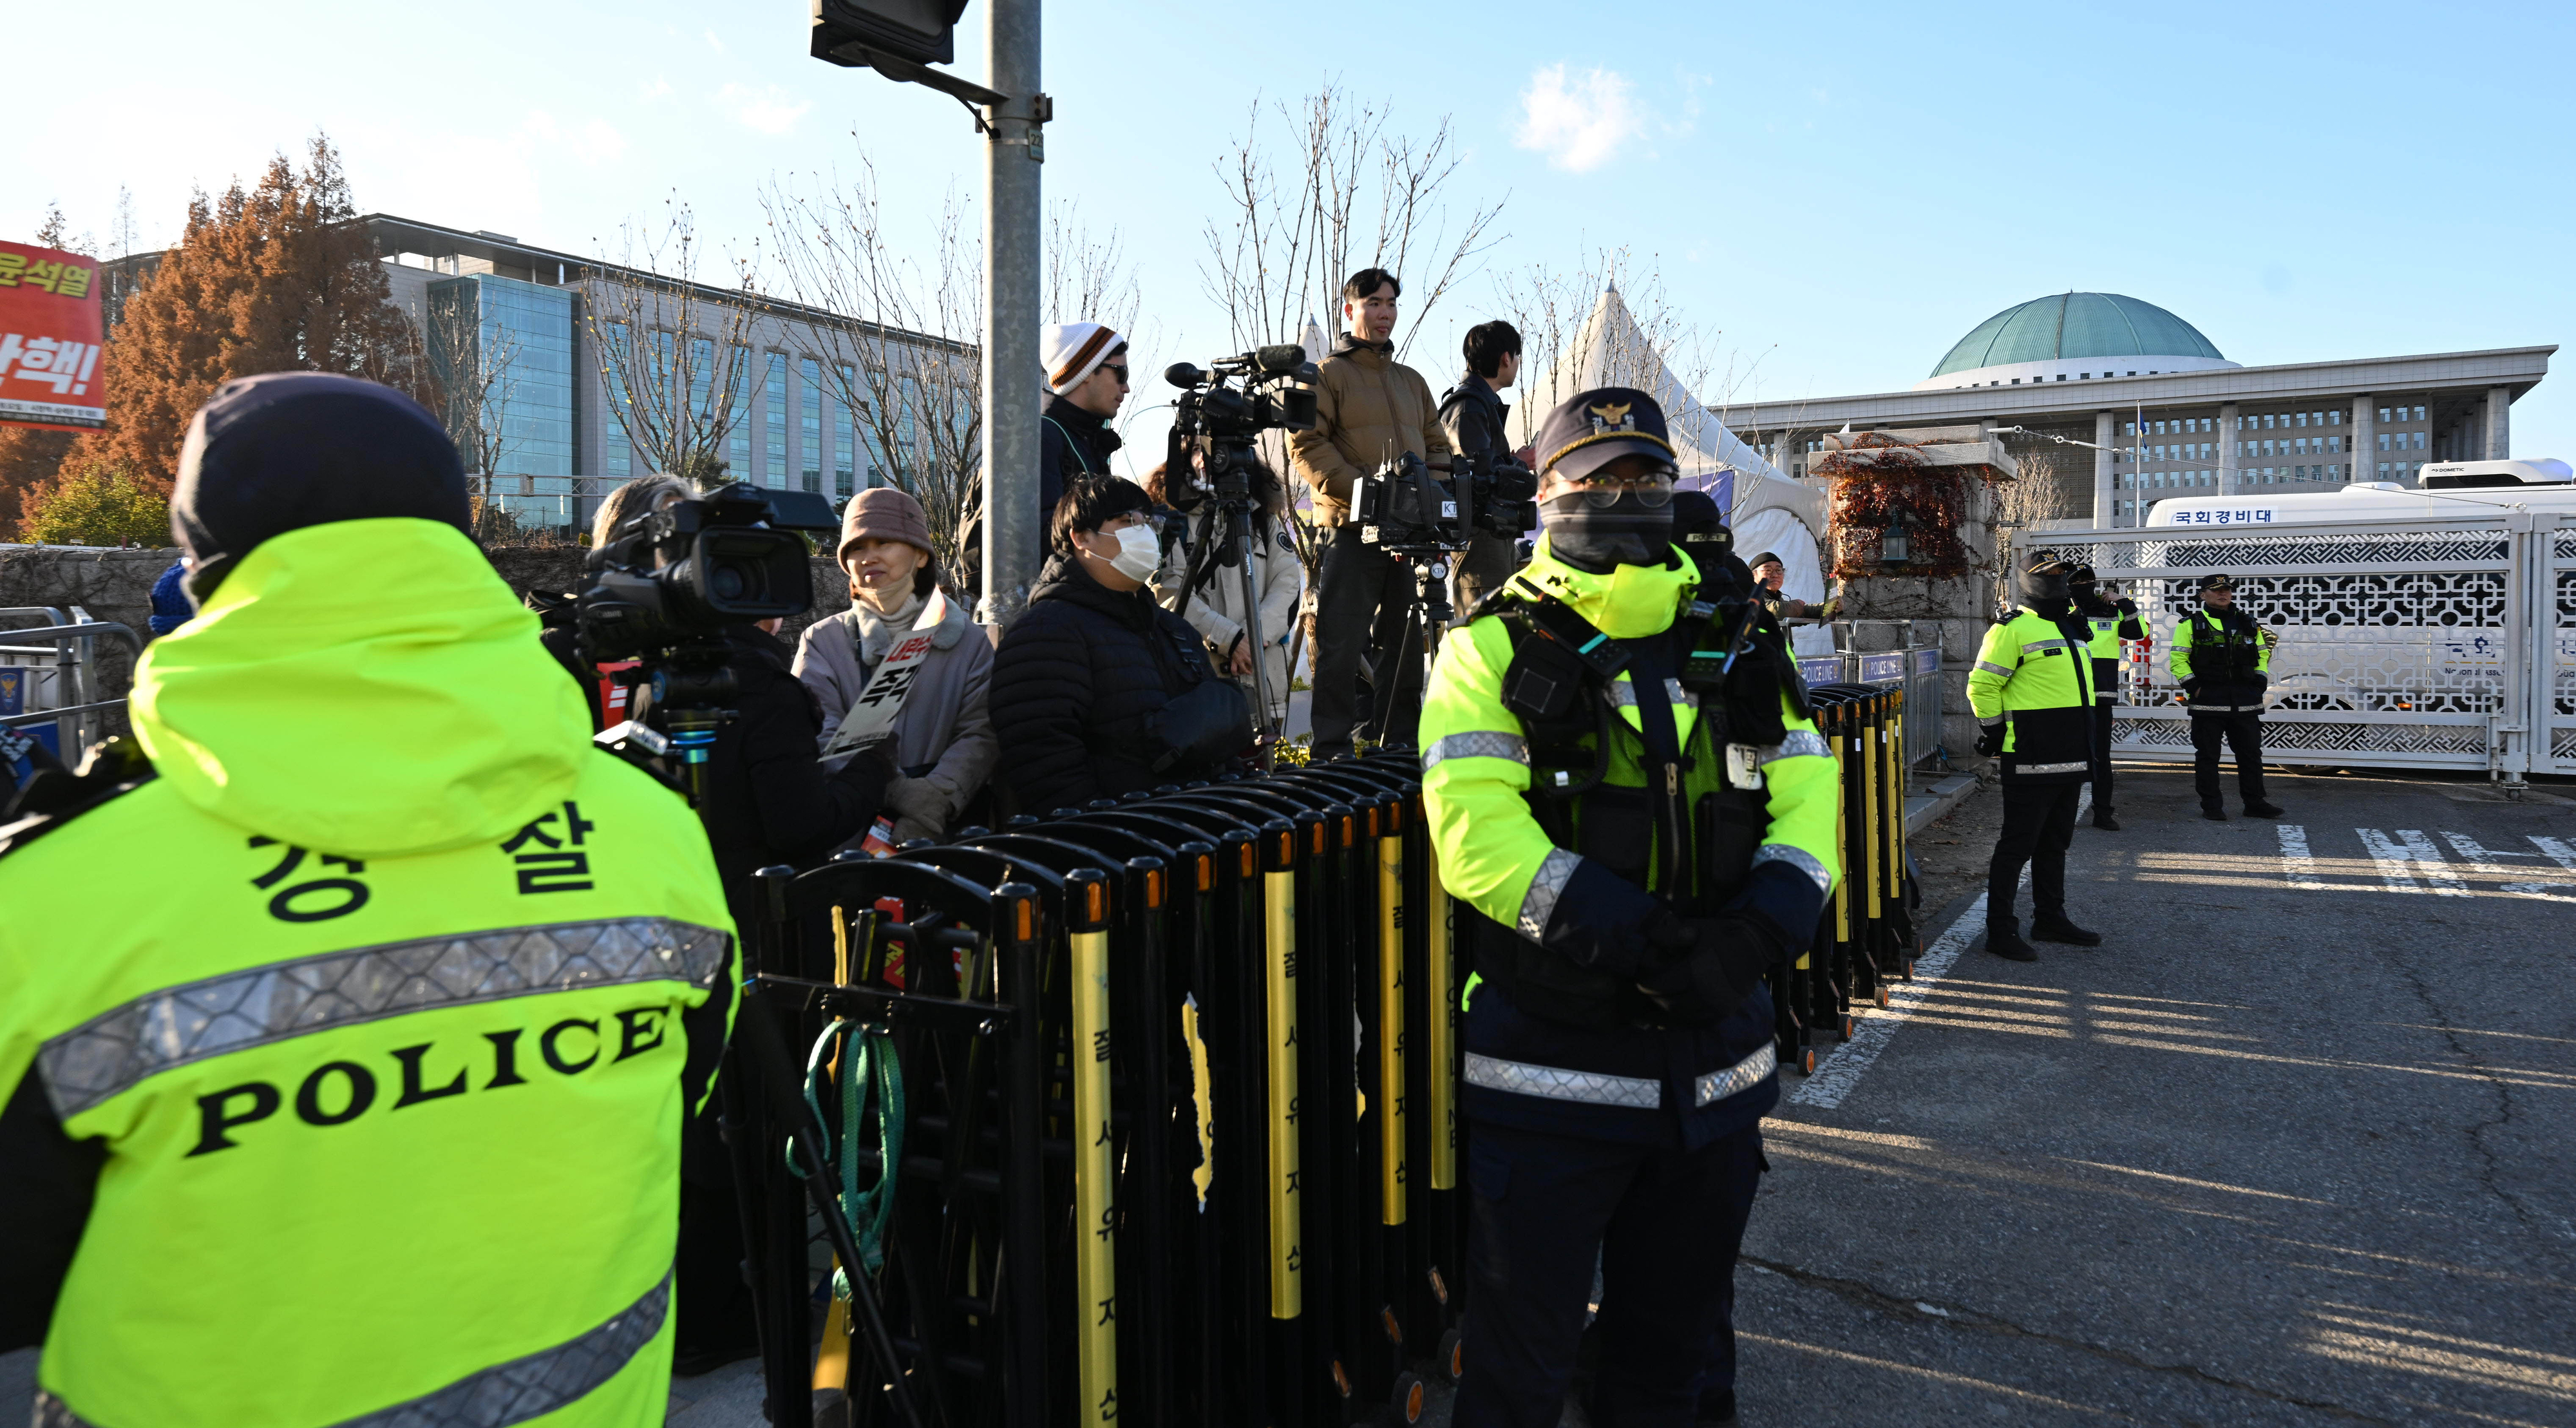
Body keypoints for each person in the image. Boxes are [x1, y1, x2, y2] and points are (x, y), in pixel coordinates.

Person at [0, 372, 736, 1427]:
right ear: (458, 534)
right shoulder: (655, 827)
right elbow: (687, 1092)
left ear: (205, 568)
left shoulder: (58, 893)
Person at [1419, 387, 1840, 1428]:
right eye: (1599, 476)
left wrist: (1756, 934)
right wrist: (1640, 940)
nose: (1627, 494)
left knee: (1671, 1368)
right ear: (1546, 493)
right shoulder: (1489, 647)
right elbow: (1477, 835)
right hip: (1549, 1086)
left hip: (1715, 1083)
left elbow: (1809, 790)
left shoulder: (1737, 634)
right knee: (1517, 1378)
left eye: (1647, 476)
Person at [991, 475, 1249, 815]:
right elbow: (1045, 767)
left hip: (1200, 830)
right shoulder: (1045, 633)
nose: (1145, 533)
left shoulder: (1174, 630)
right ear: (1081, 537)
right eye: (1128, 521)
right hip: (1122, 847)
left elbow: (1216, 741)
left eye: (1148, 522)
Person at [1289, 267, 1453, 757]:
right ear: (1350, 310)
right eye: (1373, 303)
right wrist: (1368, 494)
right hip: (1349, 530)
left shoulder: (1412, 380)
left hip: (1411, 536)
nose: (1385, 313)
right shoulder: (1325, 374)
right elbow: (1306, 447)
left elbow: (1438, 447)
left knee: (1404, 645)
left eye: (1391, 303)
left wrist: (1429, 498)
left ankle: (1398, 743)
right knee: (1340, 644)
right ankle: (1331, 749)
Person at [793, 486, 996, 844]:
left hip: (945, 830)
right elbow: (815, 734)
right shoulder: (823, 641)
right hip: (850, 827)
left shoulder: (968, 641)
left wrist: (936, 799)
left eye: (884, 543)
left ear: (920, 556)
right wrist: (895, 789)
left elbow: (980, 733)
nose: (868, 557)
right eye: (856, 548)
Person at [1967, 555, 2107, 962]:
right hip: (2030, 756)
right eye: (2050, 576)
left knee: (2055, 844)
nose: (2060, 581)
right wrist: (1995, 732)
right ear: (2028, 582)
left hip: (2071, 755)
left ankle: (2049, 918)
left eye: (2063, 575)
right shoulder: (2010, 628)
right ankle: (2000, 930)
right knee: (2017, 847)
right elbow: (1981, 686)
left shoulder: (2069, 625)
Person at [1153, 448, 1302, 730]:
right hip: (1198, 684)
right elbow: (1170, 594)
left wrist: (1250, 641)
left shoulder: (1263, 518)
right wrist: (1229, 640)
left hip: (1263, 680)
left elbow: (1287, 588)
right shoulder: (1173, 521)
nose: (1211, 458)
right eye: (1200, 450)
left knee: (1262, 769)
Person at [2170, 573, 2282, 821]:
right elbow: (2178, 660)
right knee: (2208, 757)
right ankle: (2211, 806)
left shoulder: (2248, 622)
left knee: (2251, 755)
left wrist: (2261, 680)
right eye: (2216, 589)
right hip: (2208, 700)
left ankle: (2255, 802)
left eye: (2227, 590)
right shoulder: (2189, 624)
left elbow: (2262, 654)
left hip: (2245, 700)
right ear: (2203, 594)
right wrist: (2195, 688)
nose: (2223, 594)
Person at [1439, 319, 1526, 614]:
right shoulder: (1469, 406)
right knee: (1484, 627)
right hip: (1480, 541)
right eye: (1517, 357)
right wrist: (1523, 463)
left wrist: (1513, 461)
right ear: (1506, 358)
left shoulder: (1478, 404)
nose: (1516, 364)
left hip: (1491, 537)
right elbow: (1475, 476)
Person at [2069, 564, 2145, 830]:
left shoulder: (2110, 611)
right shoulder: (2064, 613)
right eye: (2077, 581)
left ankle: (2103, 813)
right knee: (2069, 758)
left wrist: (2123, 601)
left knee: (2101, 757)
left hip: (2101, 697)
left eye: (2088, 580)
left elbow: (2138, 633)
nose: (2084, 584)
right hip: (2069, 697)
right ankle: (2065, 814)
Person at [1747, 550, 1837, 624]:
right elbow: (1778, 611)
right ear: (1753, 575)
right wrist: (1797, 605)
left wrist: (1830, 607)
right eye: (1768, 570)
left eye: (1779, 570)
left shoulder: (1775, 597)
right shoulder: (1749, 595)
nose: (1775, 575)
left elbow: (1804, 612)